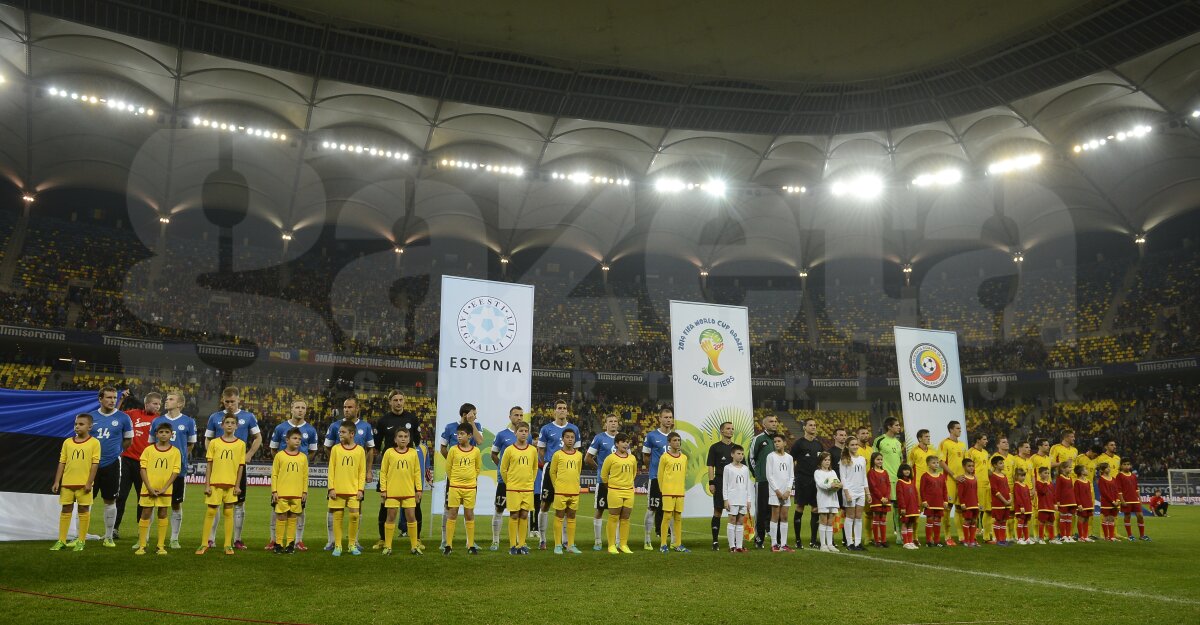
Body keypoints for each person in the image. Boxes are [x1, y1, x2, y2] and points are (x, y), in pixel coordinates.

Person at [203, 387, 261, 550]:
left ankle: (237, 539)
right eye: (226, 401)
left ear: (238, 400)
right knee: (215, 503)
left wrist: (249, 454)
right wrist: (211, 455)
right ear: (223, 400)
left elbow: (258, 437)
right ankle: (210, 539)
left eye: (232, 401)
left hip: (238, 467)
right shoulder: (215, 417)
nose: (229, 404)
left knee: (239, 503)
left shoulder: (248, 416)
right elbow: (207, 439)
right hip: (219, 467)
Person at [322, 397, 374, 552]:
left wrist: (369, 470)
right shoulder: (334, 426)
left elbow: (370, 449)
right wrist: (338, 460)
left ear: (357, 408)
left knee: (357, 509)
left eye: (350, 407)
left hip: (355, 477)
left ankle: (354, 541)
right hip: (339, 479)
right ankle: (332, 541)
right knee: (333, 510)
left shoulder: (366, 426)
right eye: (344, 407)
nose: (346, 409)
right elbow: (327, 447)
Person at [374, 391, 424, 551]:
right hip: (390, 469)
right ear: (390, 402)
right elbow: (377, 445)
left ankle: (417, 539)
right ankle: (383, 539)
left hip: (407, 469)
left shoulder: (412, 419)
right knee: (385, 508)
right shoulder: (383, 421)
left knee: (415, 508)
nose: (398, 402)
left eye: (401, 400)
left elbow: (418, 442)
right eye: (395, 400)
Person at [265, 398, 317, 551]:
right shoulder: (281, 428)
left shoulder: (311, 430)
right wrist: (283, 461)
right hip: (283, 477)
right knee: (277, 510)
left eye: (303, 407)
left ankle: (297, 540)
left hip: (298, 473)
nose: (300, 410)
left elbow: (313, 451)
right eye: (297, 407)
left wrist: (302, 462)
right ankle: (274, 540)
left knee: (299, 510)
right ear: (291, 409)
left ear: (306, 410)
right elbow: (273, 449)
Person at [148, 392, 196, 549]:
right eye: (166, 399)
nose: (166, 402)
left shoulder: (188, 422)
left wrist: (179, 458)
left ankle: (174, 538)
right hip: (157, 471)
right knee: (150, 504)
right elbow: (150, 445)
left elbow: (190, 444)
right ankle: (145, 538)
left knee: (176, 504)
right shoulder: (157, 421)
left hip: (178, 471)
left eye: (170, 399)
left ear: (180, 404)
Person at [89, 386, 134, 547]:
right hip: (90, 465)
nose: (112, 400)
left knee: (110, 500)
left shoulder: (123, 418)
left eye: (114, 398)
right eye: (108, 397)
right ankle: (80, 534)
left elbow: (128, 441)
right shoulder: (90, 417)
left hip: (112, 464)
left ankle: (108, 536)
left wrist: (116, 451)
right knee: (85, 501)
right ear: (100, 399)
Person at [197, 413, 246, 556]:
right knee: (211, 511)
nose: (230, 425)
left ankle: (227, 545)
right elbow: (209, 465)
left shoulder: (241, 444)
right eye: (227, 422)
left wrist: (237, 485)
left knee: (229, 512)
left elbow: (240, 466)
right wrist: (207, 485)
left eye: (232, 422)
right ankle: (204, 543)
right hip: (215, 483)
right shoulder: (214, 443)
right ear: (222, 425)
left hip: (231, 484)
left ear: (237, 426)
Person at [50, 413, 100, 551]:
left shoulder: (94, 443)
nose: (77, 426)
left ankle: (81, 541)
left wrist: (89, 482)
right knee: (65, 509)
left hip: (84, 484)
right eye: (76, 424)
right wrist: (57, 481)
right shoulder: (67, 442)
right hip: (67, 484)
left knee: (83, 509)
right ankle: (61, 540)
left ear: (90, 426)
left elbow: (94, 464)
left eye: (81, 424)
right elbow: (62, 462)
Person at [538, 399, 581, 550]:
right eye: (559, 408)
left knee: (566, 506)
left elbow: (577, 451)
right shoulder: (546, 428)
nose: (562, 410)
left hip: (568, 470)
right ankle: (542, 539)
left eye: (564, 408)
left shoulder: (574, 429)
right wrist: (547, 464)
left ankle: (565, 541)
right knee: (545, 503)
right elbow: (541, 450)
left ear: (567, 411)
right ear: (554, 411)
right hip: (551, 467)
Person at [116, 392, 160, 540]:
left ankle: (141, 530)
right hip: (127, 461)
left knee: (142, 499)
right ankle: (114, 528)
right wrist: (121, 399)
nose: (157, 406)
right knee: (121, 496)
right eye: (154, 403)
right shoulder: (133, 414)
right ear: (146, 403)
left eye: (159, 404)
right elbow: (116, 415)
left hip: (145, 464)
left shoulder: (159, 420)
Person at [439, 403, 483, 548]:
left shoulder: (476, 425)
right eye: (473, 414)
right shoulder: (450, 427)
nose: (475, 416)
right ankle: (445, 541)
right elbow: (443, 448)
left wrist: (472, 423)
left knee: (469, 510)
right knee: (449, 508)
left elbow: (480, 441)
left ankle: (470, 542)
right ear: (465, 414)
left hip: (469, 477)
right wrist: (454, 464)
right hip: (454, 476)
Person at [135, 423, 181, 556]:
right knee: (146, 513)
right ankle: (142, 545)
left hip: (165, 490)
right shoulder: (149, 450)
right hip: (148, 488)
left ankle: (160, 545)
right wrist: (149, 487)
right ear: (156, 434)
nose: (164, 434)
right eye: (161, 432)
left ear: (171, 434)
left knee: (163, 513)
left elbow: (175, 471)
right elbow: (142, 468)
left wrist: (165, 488)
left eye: (167, 432)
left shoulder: (175, 452)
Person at [379, 428, 422, 555]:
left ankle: (414, 546)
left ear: (409, 439)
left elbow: (417, 472)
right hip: (392, 492)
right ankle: (388, 546)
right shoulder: (389, 452)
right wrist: (383, 489)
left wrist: (418, 489)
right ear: (395, 439)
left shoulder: (413, 453)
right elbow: (383, 472)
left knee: (411, 517)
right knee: (391, 517)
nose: (403, 438)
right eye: (400, 436)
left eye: (405, 436)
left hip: (408, 491)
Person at [328, 420, 367, 557]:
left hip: (353, 490)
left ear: (352, 434)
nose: (340, 434)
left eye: (343, 432)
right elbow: (331, 470)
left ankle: (351, 544)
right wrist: (331, 488)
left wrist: (360, 489)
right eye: (339, 432)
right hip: (337, 490)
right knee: (337, 517)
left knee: (355, 516)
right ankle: (338, 546)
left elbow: (362, 472)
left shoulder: (360, 450)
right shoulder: (335, 449)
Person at [488, 406, 524, 551]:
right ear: (510, 417)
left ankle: (517, 541)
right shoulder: (502, 435)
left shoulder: (525, 435)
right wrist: (503, 469)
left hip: (520, 482)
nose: (519, 418)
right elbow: (493, 454)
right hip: (505, 480)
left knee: (519, 511)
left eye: (521, 415)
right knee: (499, 508)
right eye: (516, 415)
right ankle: (495, 540)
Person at [500, 421, 538, 555]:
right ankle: (512, 546)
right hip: (513, 488)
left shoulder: (533, 450)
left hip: (527, 488)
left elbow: (534, 468)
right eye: (521, 431)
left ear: (528, 434)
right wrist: (509, 483)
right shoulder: (509, 450)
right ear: (515, 433)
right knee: (514, 514)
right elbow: (503, 469)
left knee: (524, 514)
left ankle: (522, 545)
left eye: (525, 431)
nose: (523, 433)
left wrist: (530, 481)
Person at [584, 414, 620, 551]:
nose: (613, 423)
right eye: (610, 421)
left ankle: (617, 541)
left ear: (618, 424)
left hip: (618, 483)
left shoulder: (622, 438)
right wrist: (600, 468)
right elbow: (588, 458)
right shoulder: (599, 438)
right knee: (599, 510)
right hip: (603, 481)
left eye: (615, 421)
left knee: (617, 512)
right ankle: (598, 541)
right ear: (605, 424)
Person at [271, 428, 309, 554]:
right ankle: (278, 544)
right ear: (287, 440)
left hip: (297, 494)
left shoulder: (303, 457)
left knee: (293, 519)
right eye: (294, 438)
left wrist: (304, 492)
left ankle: (290, 544)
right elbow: (274, 474)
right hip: (282, 493)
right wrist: (274, 491)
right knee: (281, 518)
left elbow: (305, 476)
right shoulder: (279, 456)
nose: (297, 441)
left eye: (299, 439)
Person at [641, 406, 674, 551]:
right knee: (652, 508)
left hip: (672, 480)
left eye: (670, 417)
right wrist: (654, 470)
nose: (668, 420)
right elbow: (646, 457)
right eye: (665, 417)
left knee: (671, 510)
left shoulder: (675, 436)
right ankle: (647, 539)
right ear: (659, 419)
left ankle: (673, 540)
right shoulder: (652, 436)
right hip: (656, 478)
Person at [601, 433, 638, 554]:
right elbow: (604, 475)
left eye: (627, 442)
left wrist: (627, 484)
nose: (626, 444)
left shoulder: (632, 458)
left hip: (628, 491)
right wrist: (611, 487)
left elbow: (634, 473)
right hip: (614, 491)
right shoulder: (610, 458)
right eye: (623, 441)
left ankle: (623, 544)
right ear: (617, 443)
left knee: (626, 518)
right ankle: (611, 545)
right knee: (613, 517)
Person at [549, 429, 585, 554]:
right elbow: (552, 472)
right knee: (559, 517)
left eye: (572, 437)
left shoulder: (579, 455)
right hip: (560, 491)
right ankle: (558, 545)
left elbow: (578, 471)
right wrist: (556, 486)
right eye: (567, 437)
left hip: (574, 491)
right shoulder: (557, 454)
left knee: (572, 517)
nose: (570, 439)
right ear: (562, 439)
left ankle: (570, 545)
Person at [789, 418, 822, 549]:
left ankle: (813, 541)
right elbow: (791, 460)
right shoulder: (798, 444)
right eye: (810, 425)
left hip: (816, 481)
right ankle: (798, 540)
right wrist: (793, 477)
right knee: (800, 507)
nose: (813, 427)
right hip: (802, 480)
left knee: (815, 509)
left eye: (815, 425)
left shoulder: (819, 445)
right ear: (804, 428)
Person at [872, 417, 904, 544]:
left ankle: (899, 535)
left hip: (897, 479)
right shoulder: (879, 440)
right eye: (896, 425)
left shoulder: (898, 442)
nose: (899, 427)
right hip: (883, 480)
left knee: (897, 507)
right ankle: (877, 537)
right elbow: (874, 459)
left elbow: (901, 460)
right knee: (880, 508)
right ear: (889, 427)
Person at [749, 413, 779, 549]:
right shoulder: (759, 439)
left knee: (775, 510)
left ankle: (776, 539)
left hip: (778, 483)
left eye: (775, 421)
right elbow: (751, 458)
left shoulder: (779, 440)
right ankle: (759, 538)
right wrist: (759, 474)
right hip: (762, 481)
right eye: (771, 421)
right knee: (761, 510)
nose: (774, 423)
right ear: (764, 424)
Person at [705, 421, 735, 550]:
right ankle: (715, 541)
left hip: (733, 483)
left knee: (733, 512)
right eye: (728, 428)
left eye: (732, 429)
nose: (731, 431)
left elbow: (742, 466)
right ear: (722, 431)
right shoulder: (715, 447)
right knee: (718, 510)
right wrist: (711, 482)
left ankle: (733, 542)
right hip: (720, 480)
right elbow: (710, 466)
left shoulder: (736, 448)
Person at [937, 420, 967, 546]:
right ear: (951, 430)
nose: (960, 430)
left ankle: (961, 536)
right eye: (957, 428)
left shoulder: (962, 444)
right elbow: (941, 462)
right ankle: (947, 536)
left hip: (962, 480)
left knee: (960, 509)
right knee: (947, 508)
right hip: (950, 480)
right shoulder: (944, 443)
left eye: (960, 428)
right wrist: (954, 475)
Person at [765, 433, 794, 552]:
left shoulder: (789, 457)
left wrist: (788, 490)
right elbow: (769, 475)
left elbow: (791, 475)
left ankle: (783, 544)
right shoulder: (771, 456)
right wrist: (777, 491)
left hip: (785, 492)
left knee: (785, 516)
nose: (776, 443)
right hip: (774, 491)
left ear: (784, 443)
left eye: (778, 441)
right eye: (775, 441)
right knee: (775, 516)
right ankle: (774, 544)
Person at [839, 437, 868, 551]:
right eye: (852, 445)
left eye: (856, 444)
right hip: (850, 492)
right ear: (847, 446)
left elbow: (864, 477)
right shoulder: (844, 460)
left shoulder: (862, 459)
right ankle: (849, 543)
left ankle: (858, 543)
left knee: (859, 517)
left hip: (861, 492)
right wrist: (847, 493)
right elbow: (843, 478)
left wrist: (867, 493)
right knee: (850, 517)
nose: (855, 446)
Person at [722, 444, 752, 552]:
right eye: (738, 453)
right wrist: (726, 499)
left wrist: (749, 500)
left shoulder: (745, 469)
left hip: (743, 498)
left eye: (742, 454)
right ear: (732, 454)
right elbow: (725, 485)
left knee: (740, 521)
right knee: (732, 520)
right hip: (732, 498)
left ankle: (739, 546)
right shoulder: (728, 468)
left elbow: (748, 485)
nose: (741, 456)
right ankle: (732, 546)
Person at [965, 433, 990, 544]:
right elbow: (967, 467)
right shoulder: (971, 452)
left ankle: (986, 536)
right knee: (975, 510)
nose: (986, 441)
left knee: (986, 510)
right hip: (976, 484)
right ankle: (971, 537)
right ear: (978, 440)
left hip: (986, 484)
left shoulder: (985, 453)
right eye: (984, 439)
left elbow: (987, 469)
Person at [813, 452, 841, 553]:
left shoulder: (832, 472)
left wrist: (838, 485)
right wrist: (830, 486)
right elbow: (820, 484)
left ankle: (830, 544)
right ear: (820, 461)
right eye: (825, 460)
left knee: (830, 522)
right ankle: (823, 544)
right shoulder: (818, 472)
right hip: (823, 498)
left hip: (833, 498)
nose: (827, 462)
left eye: (829, 460)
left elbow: (837, 482)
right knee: (823, 520)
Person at [1116, 459, 1149, 541]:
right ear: (1121, 466)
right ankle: (1130, 535)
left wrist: (1139, 498)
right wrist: (1122, 500)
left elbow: (1136, 488)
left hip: (1135, 500)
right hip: (1126, 500)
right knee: (1127, 516)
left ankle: (1142, 535)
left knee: (1140, 516)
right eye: (1125, 464)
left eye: (1128, 464)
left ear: (1130, 466)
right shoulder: (1119, 476)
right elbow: (1118, 490)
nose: (1127, 466)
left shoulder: (1133, 475)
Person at [920, 455, 948, 547]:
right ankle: (928, 540)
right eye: (933, 463)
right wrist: (924, 501)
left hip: (939, 502)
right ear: (928, 464)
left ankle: (937, 540)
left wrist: (945, 501)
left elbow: (944, 489)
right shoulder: (925, 476)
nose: (936, 464)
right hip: (930, 502)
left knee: (937, 520)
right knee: (930, 520)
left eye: (937, 463)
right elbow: (922, 490)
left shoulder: (941, 476)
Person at [1030, 438, 1053, 540]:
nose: (1048, 447)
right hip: (1038, 489)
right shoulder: (1033, 458)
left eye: (1048, 445)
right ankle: (1037, 535)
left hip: (1048, 488)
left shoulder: (1048, 458)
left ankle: (1048, 535)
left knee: (1049, 512)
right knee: (1037, 513)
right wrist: (1033, 488)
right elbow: (1032, 474)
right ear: (1039, 446)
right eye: (1046, 445)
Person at [867, 452, 891, 548]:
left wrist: (887, 497)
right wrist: (881, 498)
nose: (880, 461)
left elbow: (888, 485)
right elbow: (873, 487)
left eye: (881, 459)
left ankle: (883, 540)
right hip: (877, 499)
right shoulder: (871, 472)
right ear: (873, 460)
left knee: (883, 519)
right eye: (878, 459)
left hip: (885, 500)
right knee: (876, 518)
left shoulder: (885, 472)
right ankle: (877, 540)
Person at [894, 463, 919, 550]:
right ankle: (906, 542)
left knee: (911, 523)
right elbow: (900, 496)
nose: (907, 471)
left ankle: (910, 542)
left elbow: (915, 494)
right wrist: (903, 507)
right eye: (905, 470)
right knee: (905, 523)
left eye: (908, 469)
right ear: (901, 471)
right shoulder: (899, 482)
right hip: (905, 507)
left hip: (913, 507)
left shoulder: (911, 482)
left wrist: (917, 506)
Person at [956, 458, 980, 547]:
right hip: (967, 504)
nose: (971, 468)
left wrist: (977, 502)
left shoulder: (975, 478)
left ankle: (972, 540)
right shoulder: (962, 478)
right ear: (964, 467)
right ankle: (966, 540)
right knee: (967, 521)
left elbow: (975, 491)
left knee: (974, 521)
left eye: (972, 466)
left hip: (974, 503)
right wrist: (962, 503)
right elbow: (960, 493)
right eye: (969, 466)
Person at [988, 456, 1012, 546]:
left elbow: (1008, 488)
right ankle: (998, 540)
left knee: (1004, 521)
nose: (1003, 464)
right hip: (998, 502)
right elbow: (995, 490)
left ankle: (1003, 539)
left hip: (1006, 502)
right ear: (995, 465)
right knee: (998, 520)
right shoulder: (993, 476)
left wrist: (1010, 498)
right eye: (1000, 463)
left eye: (1003, 462)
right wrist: (1004, 500)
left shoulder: (1004, 476)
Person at [1053, 460, 1077, 544]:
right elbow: (1057, 490)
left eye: (1071, 467)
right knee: (1063, 519)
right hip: (1063, 501)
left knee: (1069, 519)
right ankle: (1063, 536)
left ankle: (1068, 535)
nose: (1071, 468)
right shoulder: (1060, 478)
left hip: (1071, 501)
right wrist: (1057, 501)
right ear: (1063, 469)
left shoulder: (1070, 478)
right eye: (1069, 467)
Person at [1097, 463, 1119, 541]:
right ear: (1102, 470)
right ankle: (1106, 537)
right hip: (1106, 502)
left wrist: (1117, 500)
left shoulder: (1113, 479)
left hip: (1114, 502)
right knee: (1106, 518)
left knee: (1112, 519)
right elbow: (1104, 492)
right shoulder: (1101, 479)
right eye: (1106, 468)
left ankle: (1112, 537)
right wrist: (1113, 501)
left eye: (1109, 467)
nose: (1109, 469)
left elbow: (1116, 490)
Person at [1072, 464, 1095, 542]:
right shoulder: (1077, 482)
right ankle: (1080, 536)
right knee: (1081, 519)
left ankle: (1086, 536)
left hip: (1088, 503)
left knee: (1086, 519)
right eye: (1085, 469)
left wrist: (1091, 504)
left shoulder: (1088, 481)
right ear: (1081, 472)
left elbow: (1089, 494)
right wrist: (1079, 504)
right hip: (1082, 504)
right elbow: (1076, 494)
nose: (1087, 471)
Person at [1011, 467, 1033, 545]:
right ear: (1016, 476)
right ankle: (1019, 538)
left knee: (1026, 523)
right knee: (1021, 522)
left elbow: (1028, 497)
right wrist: (1021, 506)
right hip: (1021, 507)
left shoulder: (1026, 485)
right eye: (1021, 476)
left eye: (1024, 476)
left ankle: (1027, 538)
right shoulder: (1016, 485)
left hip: (1027, 507)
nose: (1023, 477)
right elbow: (1018, 497)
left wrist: (1030, 505)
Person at [1034, 466, 1055, 544]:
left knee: (1051, 522)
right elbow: (1043, 491)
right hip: (1043, 507)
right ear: (1040, 474)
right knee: (1042, 522)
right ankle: (1041, 538)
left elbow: (1053, 494)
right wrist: (1045, 483)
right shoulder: (1039, 483)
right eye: (1045, 473)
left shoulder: (1051, 484)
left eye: (1048, 473)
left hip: (1050, 507)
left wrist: (1055, 503)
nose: (1047, 475)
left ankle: (1052, 538)